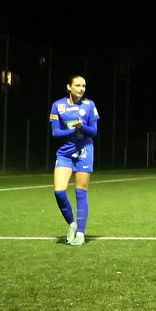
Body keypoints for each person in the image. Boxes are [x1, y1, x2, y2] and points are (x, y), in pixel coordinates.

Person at [49, 75, 99, 246]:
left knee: (80, 192)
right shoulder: (58, 106)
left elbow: (93, 131)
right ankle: (72, 224)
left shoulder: (89, 105)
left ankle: (81, 233)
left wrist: (82, 127)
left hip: (84, 150)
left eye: (84, 85)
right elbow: (55, 133)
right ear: (69, 87)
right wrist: (73, 130)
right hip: (65, 152)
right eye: (77, 85)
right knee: (59, 192)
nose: (81, 88)